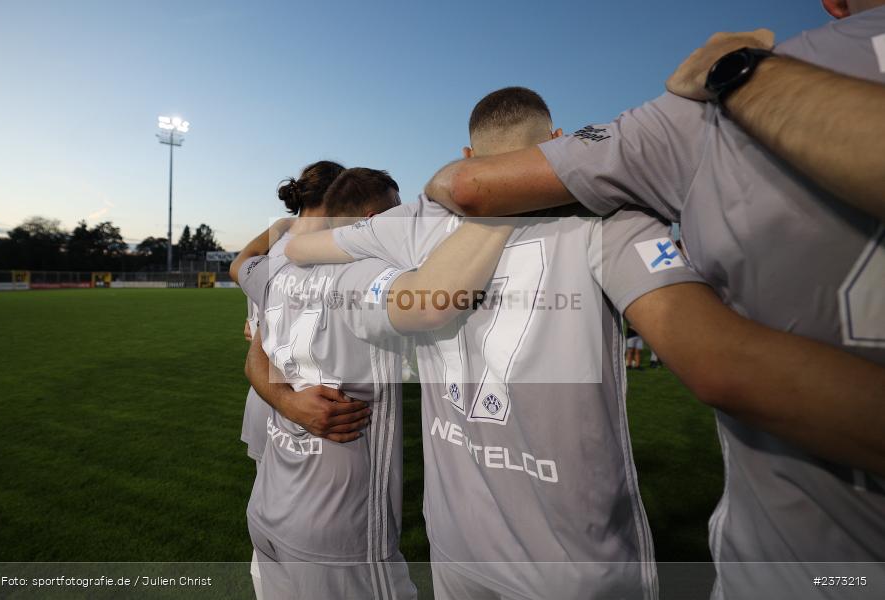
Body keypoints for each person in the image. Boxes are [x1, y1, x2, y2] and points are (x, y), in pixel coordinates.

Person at [422, 5, 885, 598]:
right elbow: (719, 362)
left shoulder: (690, 116)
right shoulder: (613, 223)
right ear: (558, 137)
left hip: (805, 570)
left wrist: (734, 71)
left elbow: (462, 192)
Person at [234, 167, 516, 599]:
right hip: (335, 531)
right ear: (372, 220)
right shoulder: (359, 276)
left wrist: (285, 401)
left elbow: (257, 345)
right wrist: (501, 210)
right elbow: (431, 302)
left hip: (270, 506)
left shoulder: (280, 269)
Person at [237, 160, 345, 599]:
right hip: (307, 393)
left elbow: (239, 264)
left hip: (266, 390)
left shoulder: (275, 251)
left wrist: (281, 224)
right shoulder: (328, 249)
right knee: (317, 518)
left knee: (271, 498)